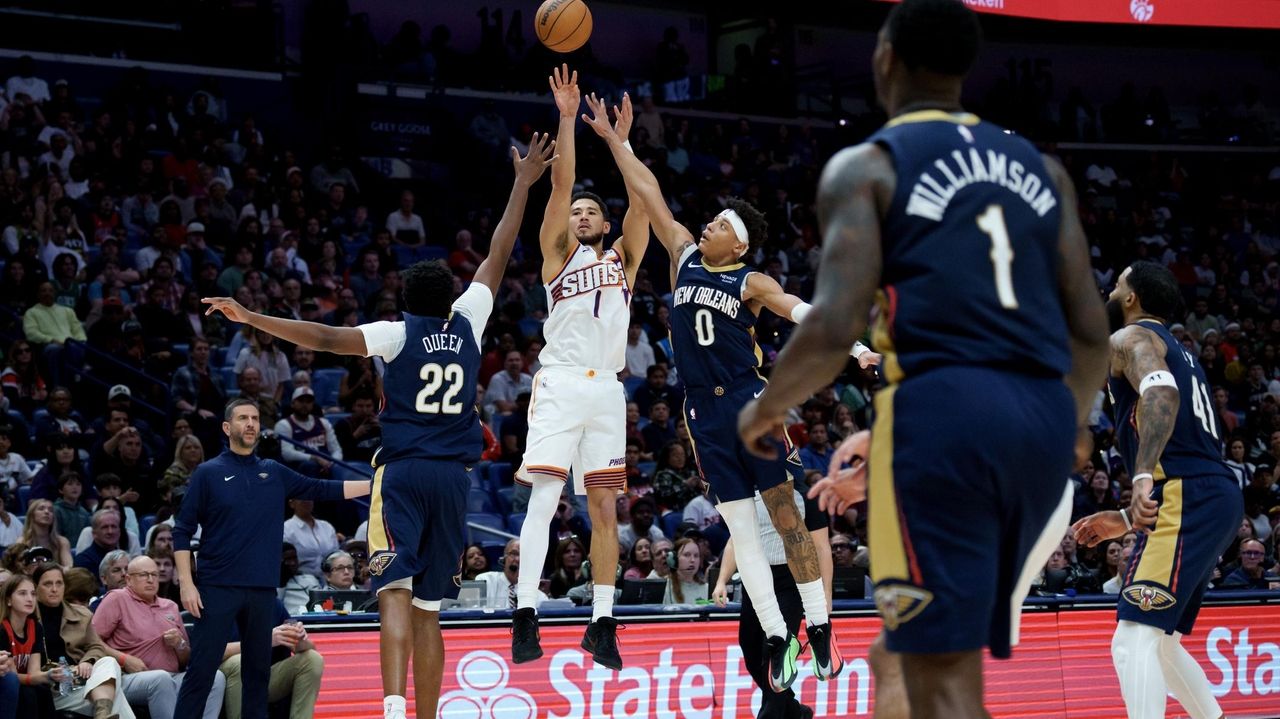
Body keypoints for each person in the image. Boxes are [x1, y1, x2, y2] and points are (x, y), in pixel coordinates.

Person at [739, 2, 1110, 716]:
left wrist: (766, 410)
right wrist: (1070, 421)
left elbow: (833, 324)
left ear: (885, 58)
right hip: (1039, 422)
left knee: (931, 671)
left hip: (944, 419)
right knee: (916, 661)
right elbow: (1091, 333)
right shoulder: (1044, 172)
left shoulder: (868, 167)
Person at [201, 135, 553, 719]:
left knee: (393, 590)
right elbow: (498, 251)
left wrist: (252, 316)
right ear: (450, 298)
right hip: (453, 480)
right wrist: (522, 184)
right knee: (430, 610)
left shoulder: (396, 332)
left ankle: (391, 707)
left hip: (405, 473)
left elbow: (322, 337)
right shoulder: (469, 320)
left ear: (406, 300)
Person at [583, 92, 875, 691]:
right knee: (742, 532)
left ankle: (820, 628)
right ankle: (778, 637)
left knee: (786, 516)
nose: (708, 225)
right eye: (710, 221)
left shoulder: (751, 279)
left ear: (737, 245)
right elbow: (649, 193)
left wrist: (857, 348)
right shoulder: (684, 255)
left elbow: (804, 311)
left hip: (749, 404)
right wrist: (618, 141)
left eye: (720, 225)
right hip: (701, 412)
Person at [510, 65, 651, 674]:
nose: (584, 214)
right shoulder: (556, 254)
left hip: (608, 392)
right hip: (562, 382)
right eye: (578, 212)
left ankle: (602, 622)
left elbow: (644, 201)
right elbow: (561, 182)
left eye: (593, 210)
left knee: (604, 511)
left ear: (606, 222)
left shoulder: (625, 260)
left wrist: (622, 142)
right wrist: (567, 119)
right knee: (544, 498)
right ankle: (524, 611)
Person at [1073, 261, 1246, 719]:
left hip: (1188, 493)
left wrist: (1142, 477)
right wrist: (1126, 518)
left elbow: (1161, 393)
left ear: (1131, 298)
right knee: (1162, 643)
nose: (1110, 293)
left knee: (1131, 639)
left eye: (1116, 286)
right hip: (1213, 494)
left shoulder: (1131, 337)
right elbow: (1188, 445)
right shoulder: (1179, 350)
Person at [165, 398, 369, 719]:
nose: (250, 423)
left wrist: (374, 485)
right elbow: (182, 530)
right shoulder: (208, 473)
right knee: (201, 673)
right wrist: (187, 584)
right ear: (227, 427)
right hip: (217, 587)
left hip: (262, 590)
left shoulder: (273, 471)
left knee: (258, 676)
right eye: (243, 418)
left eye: (255, 418)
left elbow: (320, 487)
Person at [713, 487, 832, 719]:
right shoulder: (749, 496)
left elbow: (821, 547)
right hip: (756, 578)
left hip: (793, 579)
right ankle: (793, 711)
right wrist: (721, 581)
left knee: (776, 651)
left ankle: (771, 715)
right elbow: (735, 542)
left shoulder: (806, 496)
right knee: (749, 648)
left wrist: (826, 593)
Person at [93, 556, 224, 719]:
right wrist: (124, 659)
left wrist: (179, 644)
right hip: (128, 677)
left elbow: (185, 661)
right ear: (128, 579)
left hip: (172, 676)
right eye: (143, 575)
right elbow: (92, 642)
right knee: (161, 679)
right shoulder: (117, 598)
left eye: (154, 575)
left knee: (215, 677)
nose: (150, 580)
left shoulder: (170, 606)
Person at [32, 564, 132, 719]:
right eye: (47, 584)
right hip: (53, 688)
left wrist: (88, 661)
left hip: (80, 681)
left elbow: (96, 646)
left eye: (59, 583)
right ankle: (103, 714)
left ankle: (102, 714)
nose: (54, 589)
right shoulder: (28, 617)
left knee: (108, 662)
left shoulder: (81, 614)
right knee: (115, 696)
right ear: (35, 587)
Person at [206, 599, 325, 719]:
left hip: (265, 675)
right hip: (229, 675)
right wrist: (264, 641)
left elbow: (309, 648)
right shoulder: (221, 601)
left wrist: (299, 638)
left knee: (313, 659)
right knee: (240, 661)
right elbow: (208, 651)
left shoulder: (273, 603)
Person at [0, 574, 57, 718]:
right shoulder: (2, 629)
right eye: (22, 593)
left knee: (43, 690)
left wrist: (52, 675)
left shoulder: (35, 627)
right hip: (8, 684)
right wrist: (46, 676)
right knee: (28, 693)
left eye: (33, 594)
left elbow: (33, 671)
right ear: (8, 600)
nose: (30, 599)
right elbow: (13, 676)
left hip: (24, 682)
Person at [476, 539, 546, 610]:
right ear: (504, 558)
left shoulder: (538, 596)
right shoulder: (486, 580)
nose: (518, 559)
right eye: (514, 553)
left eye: (523, 555)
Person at [281, 499, 338, 579]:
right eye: (302, 499)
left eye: (309, 498)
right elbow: (287, 561)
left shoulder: (326, 526)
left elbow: (337, 555)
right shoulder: (286, 529)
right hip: (301, 580)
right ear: (292, 504)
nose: (307, 501)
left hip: (331, 579)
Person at [277, 543, 322, 615]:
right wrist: (282, 583)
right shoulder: (274, 586)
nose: (293, 563)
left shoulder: (309, 579)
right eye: (288, 559)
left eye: (294, 558)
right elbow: (274, 608)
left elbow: (321, 602)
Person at [661, 537, 708, 605]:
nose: (692, 560)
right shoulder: (664, 588)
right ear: (674, 559)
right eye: (687, 555)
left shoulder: (707, 588)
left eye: (696, 556)